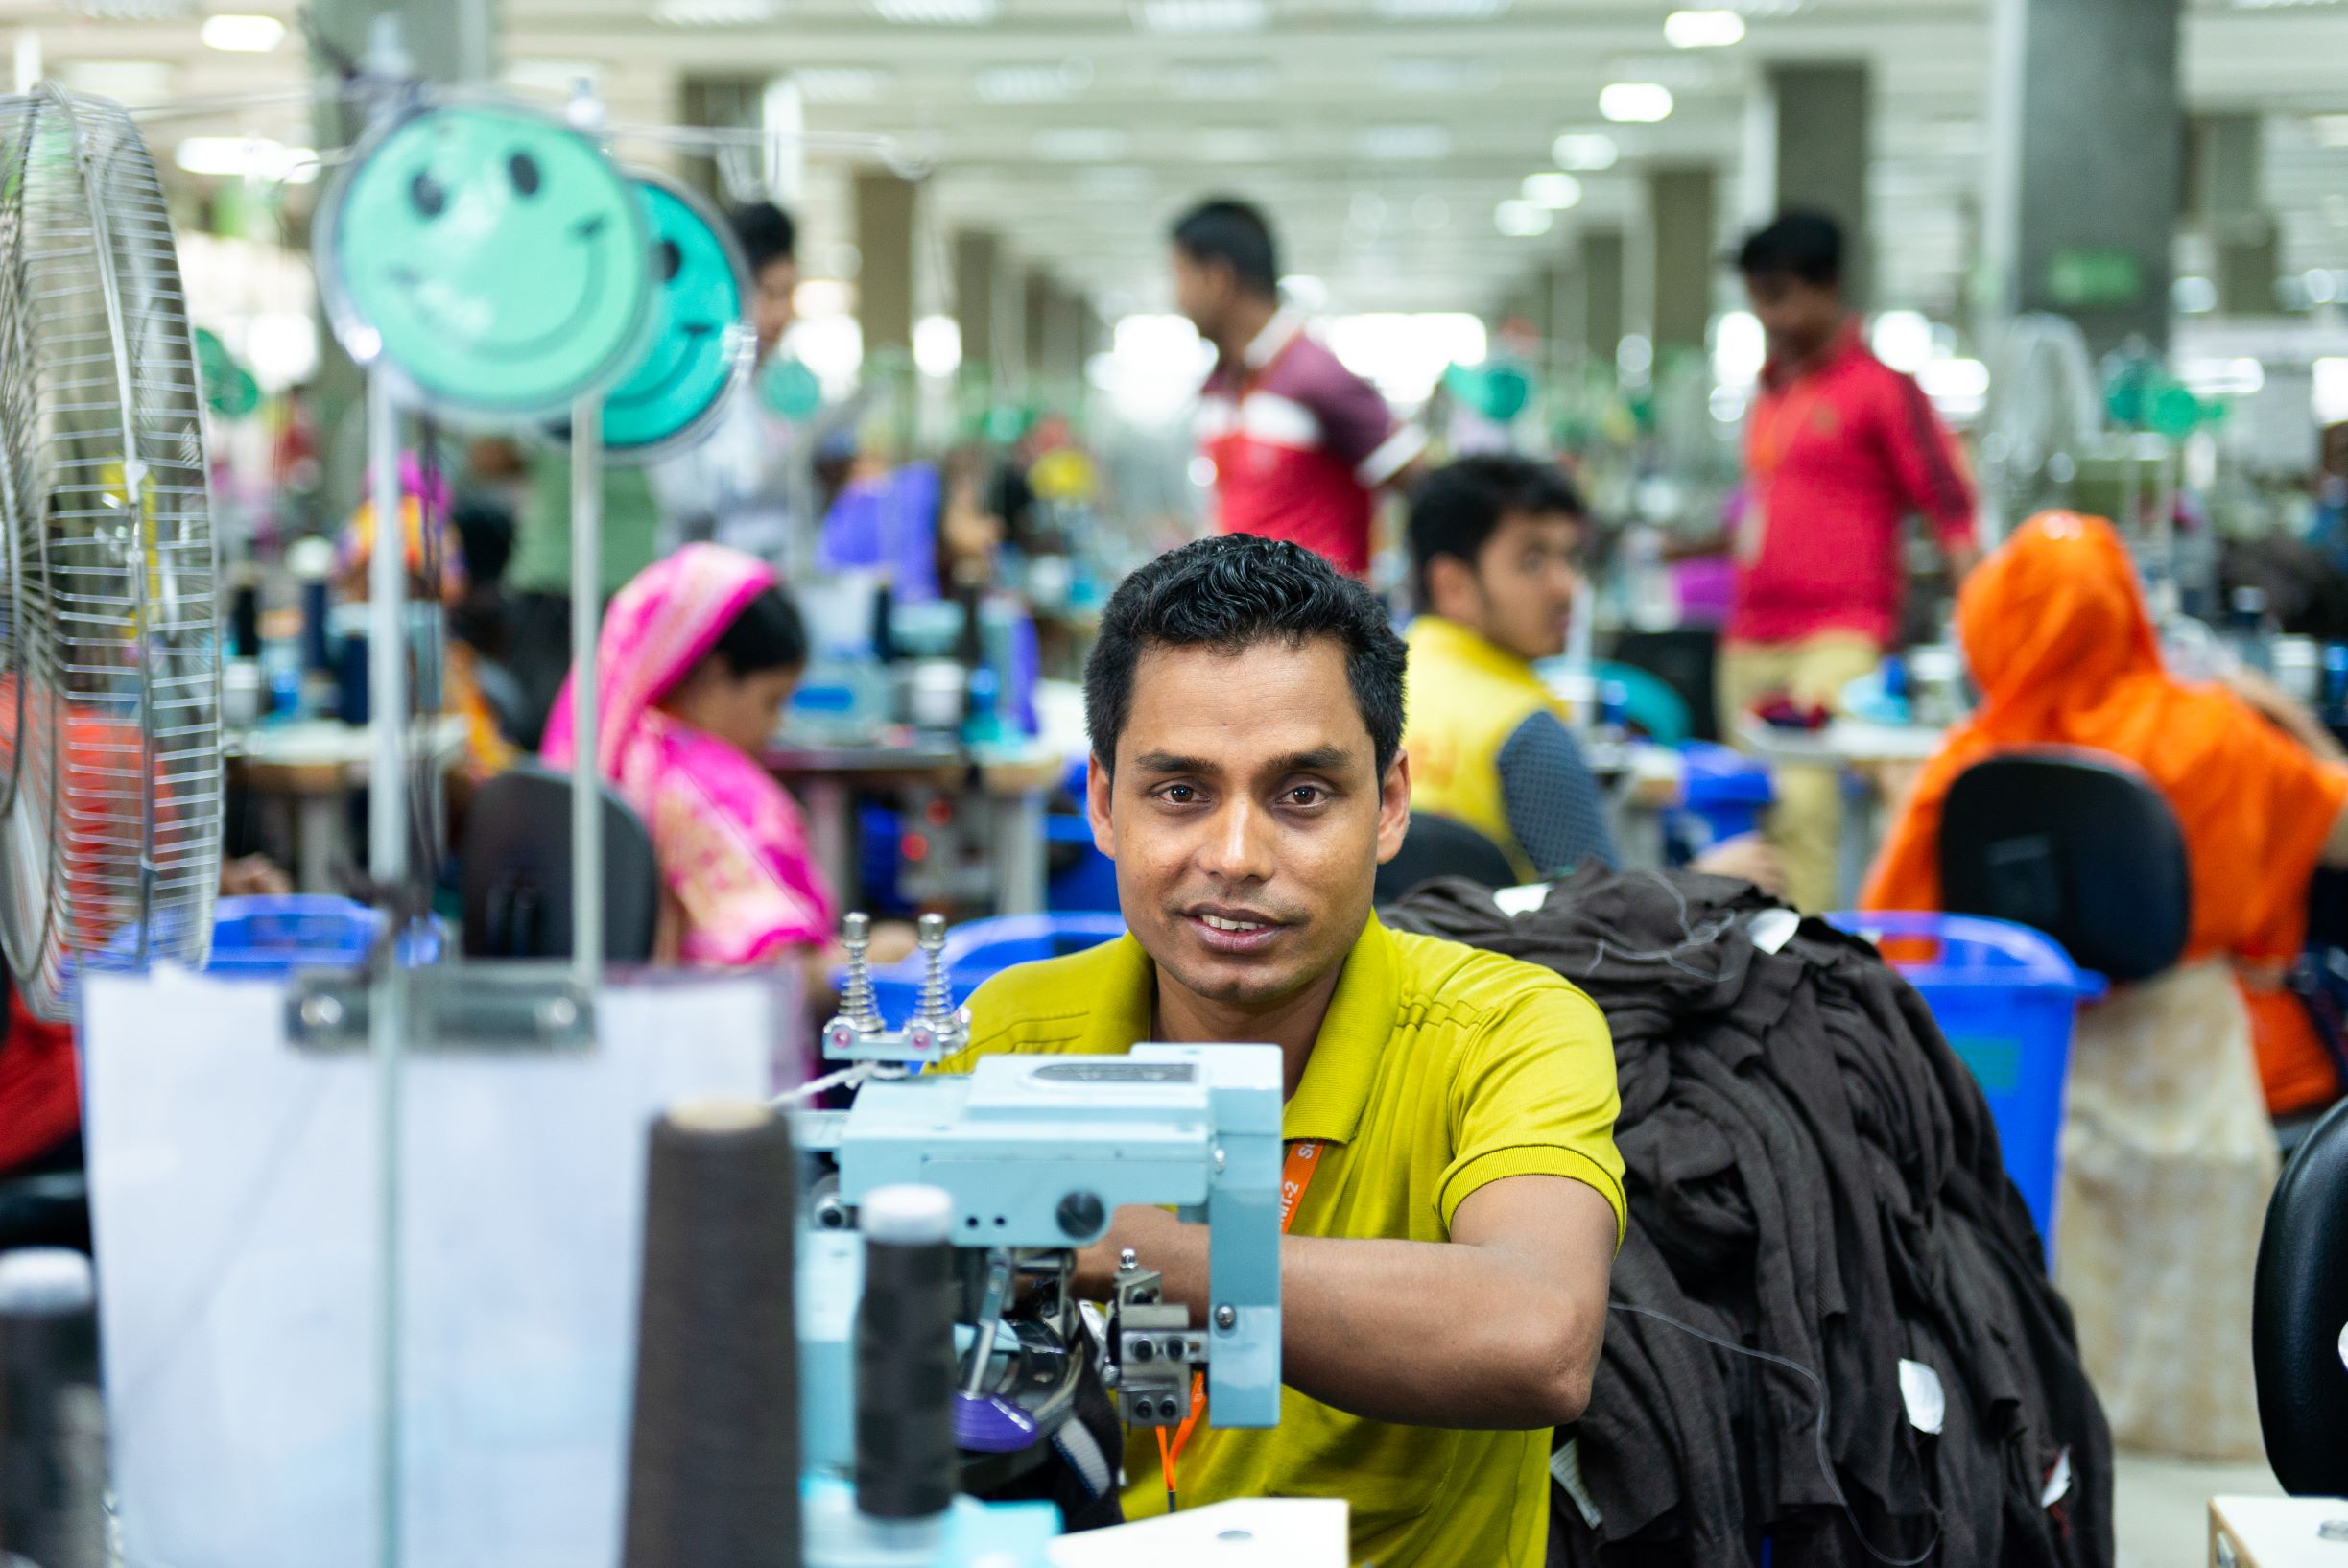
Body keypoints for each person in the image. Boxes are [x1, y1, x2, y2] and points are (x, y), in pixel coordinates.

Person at [940, 535, 1623, 1567]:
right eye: (1178, 791)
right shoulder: (1011, 1034)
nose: (1235, 855)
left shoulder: (1510, 1031)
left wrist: (1135, 1248)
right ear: (1099, 802)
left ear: (1387, 804)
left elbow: (1539, 1336)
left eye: (1301, 793)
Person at [1862, 511, 2348, 1461]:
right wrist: (2283, 719)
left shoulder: (1963, 763)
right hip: (2191, 1070)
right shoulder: (2217, 736)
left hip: (2018, 1083)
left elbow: (1894, 937)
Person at [1721, 210, 1980, 912]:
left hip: (1839, 631)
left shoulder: (1882, 389)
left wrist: (1983, 629)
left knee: (1807, 810)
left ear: (1827, 286)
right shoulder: (1768, 390)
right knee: (1747, 813)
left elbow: (1950, 507)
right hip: (1748, 633)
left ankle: (1804, 985)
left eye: (1777, 295)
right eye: (1755, 298)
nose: (1765, 314)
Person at [1402, 456, 1783, 892]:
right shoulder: (1524, 731)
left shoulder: (1370, 687)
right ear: (1453, 585)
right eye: (1532, 561)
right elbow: (1602, 927)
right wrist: (1702, 884)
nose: (1566, 586)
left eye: (1570, 558)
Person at [538, 544, 837, 973]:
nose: (774, 727)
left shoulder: (621, 757)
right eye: (770, 702)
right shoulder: (715, 790)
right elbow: (769, 978)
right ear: (716, 676)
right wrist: (867, 962)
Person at [1172, 198, 1422, 578]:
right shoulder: (1219, 386)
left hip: (1319, 629)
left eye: (1179, 277)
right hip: (1241, 628)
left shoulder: (1315, 376)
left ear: (1216, 279)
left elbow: (1425, 486)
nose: (1176, 299)